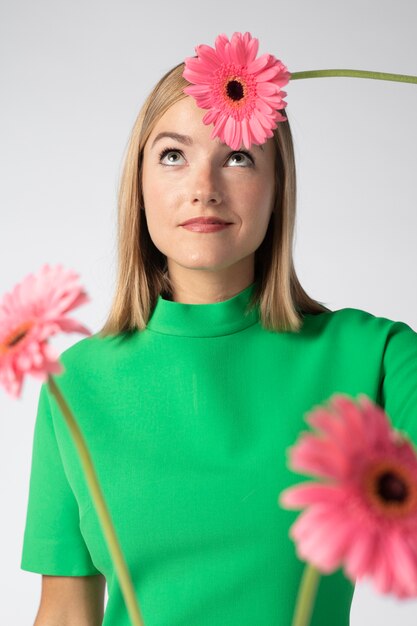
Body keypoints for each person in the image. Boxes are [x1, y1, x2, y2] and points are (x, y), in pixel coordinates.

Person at [20, 51, 417, 626]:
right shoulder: (75, 381)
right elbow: (64, 615)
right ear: (140, 184)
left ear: (277, 185)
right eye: (174, 156)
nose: (203, 188)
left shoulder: (377, 358)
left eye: (237, 157)